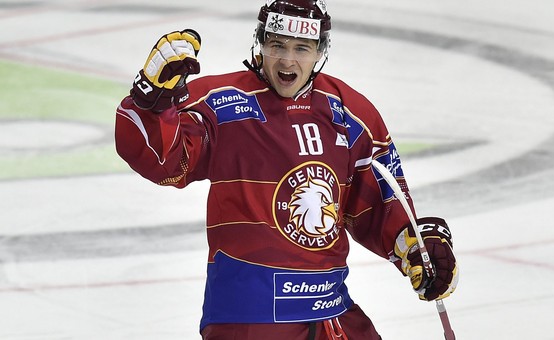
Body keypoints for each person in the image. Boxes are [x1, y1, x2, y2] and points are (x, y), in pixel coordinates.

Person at [115, 0, 458, 339]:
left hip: (330, 311)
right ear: (260, 43)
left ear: (320, 51)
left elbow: (381, 205)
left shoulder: (350, 113)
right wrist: (152, 106)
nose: (287, 60)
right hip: (248, 317)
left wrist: (418, 248)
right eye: (277, 44)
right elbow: (164, 162)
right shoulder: (219, 102)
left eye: (301, 48)